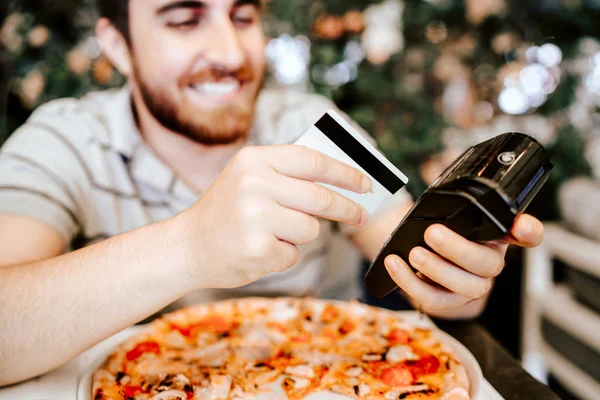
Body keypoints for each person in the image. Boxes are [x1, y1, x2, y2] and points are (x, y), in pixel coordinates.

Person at [0, 0, 544, 386]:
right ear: (118, 44)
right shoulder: (63, 137)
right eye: (186, 19)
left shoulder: (316, 123)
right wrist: (189, 247)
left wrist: (456, 278)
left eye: (242, 16)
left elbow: (420, 261)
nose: (230, 51)